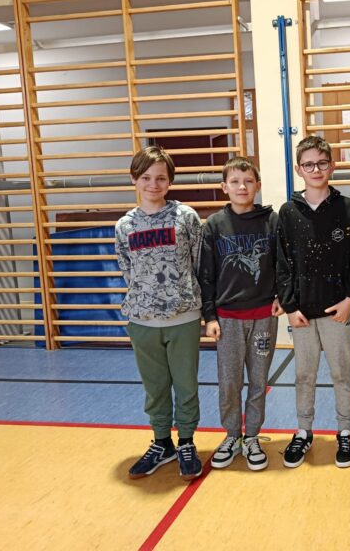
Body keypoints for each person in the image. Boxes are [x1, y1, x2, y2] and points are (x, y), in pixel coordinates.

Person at [276, 135, 350, 469]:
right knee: (304, 375)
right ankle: (303, 430)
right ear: (299, 169)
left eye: (322, 163)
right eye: (309, 164)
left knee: (342, 372)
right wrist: (290, 306)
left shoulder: (348, 209)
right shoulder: (287, 212)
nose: (316, 169)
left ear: (332, 166)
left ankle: (345, 430)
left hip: (337, 311)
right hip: (301, 313)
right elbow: (282, 264)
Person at [115, 146, 203, 481]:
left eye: (161, 178)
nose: (153, 184)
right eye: (146, 177)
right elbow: (128, 269)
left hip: (184, 318)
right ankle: (162, 442)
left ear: (170, 181)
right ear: (134, 179)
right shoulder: (124, 225)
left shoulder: (185, 217)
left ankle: (187, 442)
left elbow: (198, 262)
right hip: (143, 321)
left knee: (186, 384)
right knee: (155, 387)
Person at [198, 156, 282, 471]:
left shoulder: (271, 221)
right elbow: (206, 274)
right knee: (229, 382)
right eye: (235, 181)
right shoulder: (214, 225)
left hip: (263, 317)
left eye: (248, 181)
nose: (242, 187)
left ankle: (253, 436)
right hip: (228, 319)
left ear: (257, 185)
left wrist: (282, 296)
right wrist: (210, 316)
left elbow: (283, 263)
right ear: (224, 187)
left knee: (259, 381)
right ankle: (232, 435)